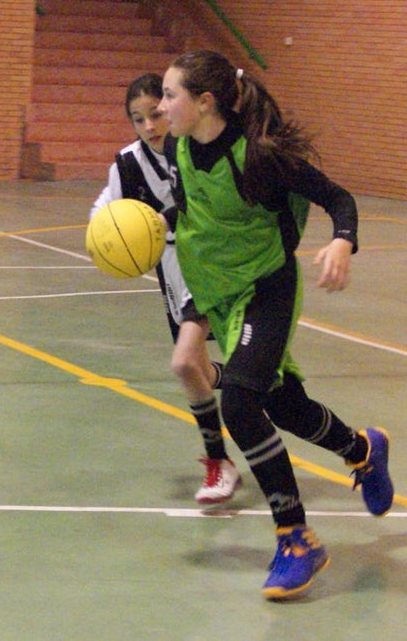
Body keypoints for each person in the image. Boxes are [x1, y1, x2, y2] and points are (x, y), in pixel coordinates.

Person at [156, 50, 393, 600]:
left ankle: (296, 538)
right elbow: (193, 208)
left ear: (205, 102)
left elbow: (338, 198)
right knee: (282, 405)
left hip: (265, 288)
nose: (162, 107)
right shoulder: (181, 146)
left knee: (239, 399)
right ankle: (362, 449)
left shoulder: (259, 156)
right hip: (216, 289)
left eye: (171, 96)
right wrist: (154, 222)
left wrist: (342, 240)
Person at [91, 74, 240, 505]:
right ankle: (240, 395)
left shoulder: (193, 147)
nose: (149, 126)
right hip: (172, 267)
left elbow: (200, 203)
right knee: (194, 368)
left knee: (183, 364)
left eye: (155, 114)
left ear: (171, 107)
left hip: (209, 257)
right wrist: (103, 238)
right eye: (138, 120)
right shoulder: (127, 163)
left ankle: (219, 461)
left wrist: (164, 219)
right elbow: (106, 211)